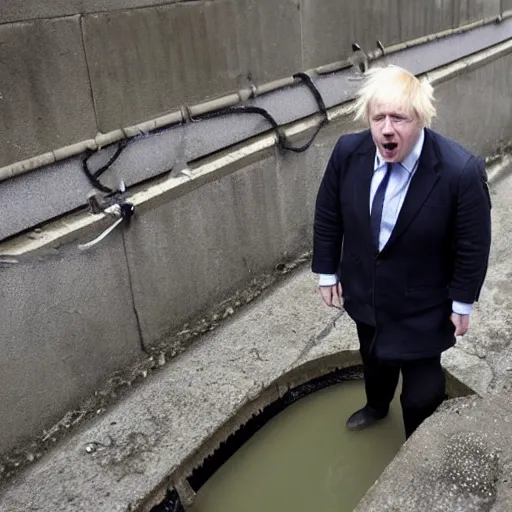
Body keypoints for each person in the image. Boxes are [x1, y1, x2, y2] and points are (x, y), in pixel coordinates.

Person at [312, 65, 492, 439]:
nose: (387, 129)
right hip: (366, 292)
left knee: (421, 396)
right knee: (374, 364)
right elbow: (329, 212)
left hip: (423, 306)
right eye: (379, 118)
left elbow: (473, 244)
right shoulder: (349, 152)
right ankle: (376, 407)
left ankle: (417, 448)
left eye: (399, 118)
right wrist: (327, 271)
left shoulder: (460, 171)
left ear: (421, 118)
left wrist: (462, 302)